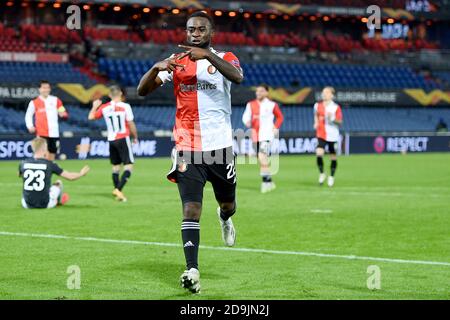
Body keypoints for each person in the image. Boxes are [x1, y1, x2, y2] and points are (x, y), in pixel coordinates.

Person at [137, 11, 243, 293]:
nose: (195, 33)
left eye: (201, 29)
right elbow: (141, 90)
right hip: (187, 147)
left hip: (219, 148)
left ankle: (225, 219)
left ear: (211, 32)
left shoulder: (225, 58)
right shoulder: (176, 63)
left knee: (227, 204)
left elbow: (238, 77)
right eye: (191, 29)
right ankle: (192, 270)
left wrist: (207, 56)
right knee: (191, 209)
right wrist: (156, 67)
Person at [88, 85, 138, 202]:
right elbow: (131, 124)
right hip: (123, 137)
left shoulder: (105, 107)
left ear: (110, 95)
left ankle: (117, 192)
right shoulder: (125, 106)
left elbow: (90, 117)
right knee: (129, 166)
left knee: (115, 167)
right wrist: (135, 136)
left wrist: (94, 107)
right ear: (120, 93)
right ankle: (118, 189)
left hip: (111, 139)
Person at [19, 137, 90, 209]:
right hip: (45, 204)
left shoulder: (23, 163)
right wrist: (81, 173)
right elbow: (70, 177)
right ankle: (58, 203)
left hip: (27, 205)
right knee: (58, 183)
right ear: (44, 148)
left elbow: (20, 175)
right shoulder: (49, 164)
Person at [242, 84, 284, 193]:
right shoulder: (250, 104)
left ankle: (265, 183)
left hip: (267, 135)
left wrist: (275, 127)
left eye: (261, 91)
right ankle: (269, 181)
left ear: (266, 92)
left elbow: (280, 117)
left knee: (261, 155)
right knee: (261, 159)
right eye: (257, 91)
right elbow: (246, 117)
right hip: (255, 136)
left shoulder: (272, 105)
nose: (258, 93)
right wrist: (247, 121)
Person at [25, 80, 69, 161]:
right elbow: (28, 115)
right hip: (41, 132)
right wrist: (30, 126)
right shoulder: (34, 102)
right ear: (39, 89)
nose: (46, 89)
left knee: (52, 155)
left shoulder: (56, 100)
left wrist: (63, 114)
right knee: (40, 154)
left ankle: (49, 172)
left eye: (47, 87)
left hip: (54, 132)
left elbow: (62, 110)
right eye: (44, 88)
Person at [314, 87, 343, 187]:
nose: (324, 94)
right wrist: (316, 122)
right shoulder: (317, 105)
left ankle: (331, 176)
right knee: (319, 153)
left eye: (327, 92)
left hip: (333, 135)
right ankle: (322, 173)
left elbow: (340, 122)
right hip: (321, 134)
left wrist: (333, 118)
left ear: (332, 95)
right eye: (323, 92)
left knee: (333, 157)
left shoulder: (336, 107)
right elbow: (316, 115)